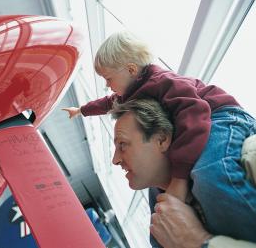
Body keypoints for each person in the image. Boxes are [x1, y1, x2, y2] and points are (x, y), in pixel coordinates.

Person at [63, 30, 243, 204]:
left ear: (131, 69)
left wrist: (179, 179)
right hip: (199, 120)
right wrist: (81, 110)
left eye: (108, 78)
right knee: (156, 191)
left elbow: (194, 113)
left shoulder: (162, 82)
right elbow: (108, 103)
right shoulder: (133, 91)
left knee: (214, 173)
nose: (107, 85)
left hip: (221, 117)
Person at [110, 98, 256, 246]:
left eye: (122, 144)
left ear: (161, 139)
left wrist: (196, 241)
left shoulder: (249, 157)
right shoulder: (162, 217)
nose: (115, 160)